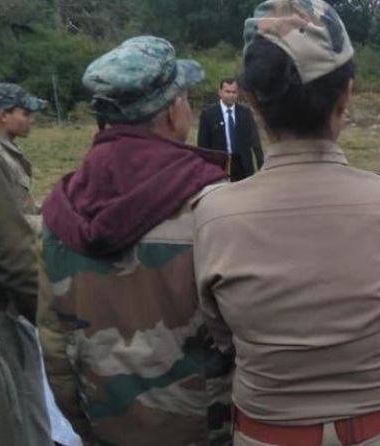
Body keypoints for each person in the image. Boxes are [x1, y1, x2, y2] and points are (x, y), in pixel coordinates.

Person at [193, 2, 380, 445]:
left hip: (268, 431)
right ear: (346, 96)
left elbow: (222, 332)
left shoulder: (212, 215)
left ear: (253, 104)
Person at [37, 36, 234, 445]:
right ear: (171, 111)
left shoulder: (60, 210)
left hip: (108, 425)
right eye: (184, 96)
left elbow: (55, 345)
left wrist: (89, 425)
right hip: (209, 429)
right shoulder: (210, 205)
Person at [0, 83, 52, 445]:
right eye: (24, 111)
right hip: (9, 304)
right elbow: (13, 250)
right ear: (3, 115)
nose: (30, 118)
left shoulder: (9, 153)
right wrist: (47, 317)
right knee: (21, 403)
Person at [197, 77, 264, 181]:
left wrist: (261, 166)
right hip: (220, 166)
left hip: (243, 166)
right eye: (227, 92)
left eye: (234, 92)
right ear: (220, 92)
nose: (231, 95)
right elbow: (202, 146)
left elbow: (255, 142)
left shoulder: (245, 113)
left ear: (238, 93)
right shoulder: (208, 115)